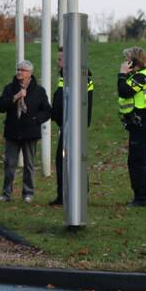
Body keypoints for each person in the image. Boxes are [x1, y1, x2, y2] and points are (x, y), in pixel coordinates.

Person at [0, 59, 51, 202]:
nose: (20, 72)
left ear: (30, 74)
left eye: (23, 70)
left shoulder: (39, 91)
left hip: (30, 133)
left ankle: (28, 193)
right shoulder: (9, 88)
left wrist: (36, 120)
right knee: (9, 165)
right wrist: (15, 97)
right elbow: (0, 107)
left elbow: (47, 111)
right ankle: (6, 193)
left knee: (29, 165)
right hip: (13, 132)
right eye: (18, 69)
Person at [117, 46, 146, 207]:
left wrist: (121, 74)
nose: (124, 62)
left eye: (127, 59)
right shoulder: (136, 76)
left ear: (133, 61)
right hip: (139, 123)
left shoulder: (142, 76)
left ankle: (142, 198)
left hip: (145, 123)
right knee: (135, 160)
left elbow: (124, 92)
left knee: (138, 161)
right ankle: (139, 196)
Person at [49, 46, 93, 206]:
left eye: (60, 58)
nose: (57, 61)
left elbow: (73, 101)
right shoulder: (66, 76)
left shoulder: (79, 77)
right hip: (67, 124)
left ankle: (75, 195)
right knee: (64, 160)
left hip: (74, 125)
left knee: (72, 160)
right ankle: (65, 195)